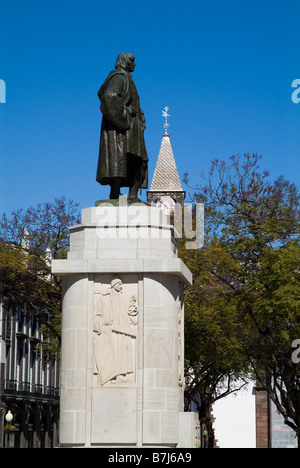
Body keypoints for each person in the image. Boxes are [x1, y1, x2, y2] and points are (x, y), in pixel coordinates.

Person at [96, 53, 148, 200]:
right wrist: (125, 114)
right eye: (132, 61)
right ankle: (115, 192)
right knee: (120, 158)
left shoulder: (127, 78)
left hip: (134, 126)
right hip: (125, 127)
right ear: (124, 62)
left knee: (137, 159)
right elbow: (109, 96)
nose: (134, 64)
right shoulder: (119, 77)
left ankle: (132, 195)